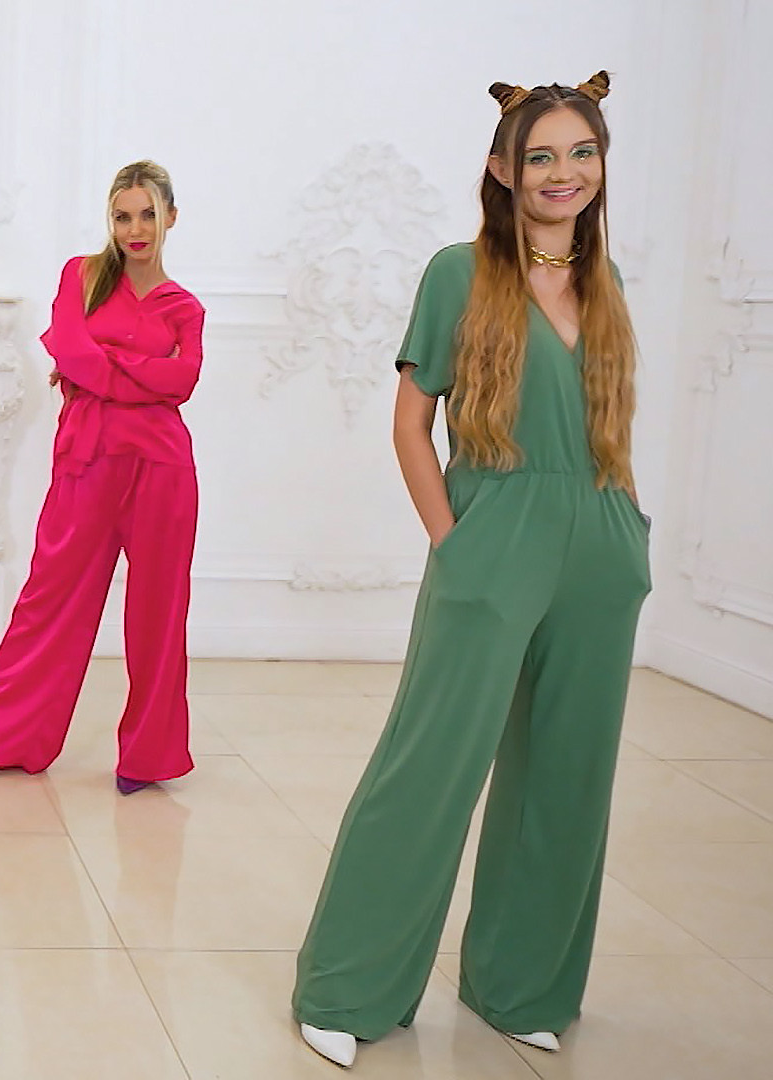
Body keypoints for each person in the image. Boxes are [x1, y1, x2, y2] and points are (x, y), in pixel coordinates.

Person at [291, 72, 648, 1069]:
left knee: (568, 776)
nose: (565, 172)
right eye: (542, 155)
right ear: (502, 168)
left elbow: (606, 425)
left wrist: (626, 528)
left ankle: (519, 985)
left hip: (601, 547)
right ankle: (349, 986)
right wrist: (455, 543)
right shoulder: (459, 273)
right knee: (431, 766)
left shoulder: (606, 284)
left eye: (583, 152)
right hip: (492, 535)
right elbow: (412, 424)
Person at [0, 160, 203, 792]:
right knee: (49, 600)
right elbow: (73, 353)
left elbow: (182, 380)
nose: (135, 229)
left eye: (147, 214)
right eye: (122, 216)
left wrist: (100, 367)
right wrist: (133, 370)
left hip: (162, 468)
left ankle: (148, 759)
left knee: (158, 615)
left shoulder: (184, 307)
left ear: (170, 217)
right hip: (86, 461)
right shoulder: (80, 276)